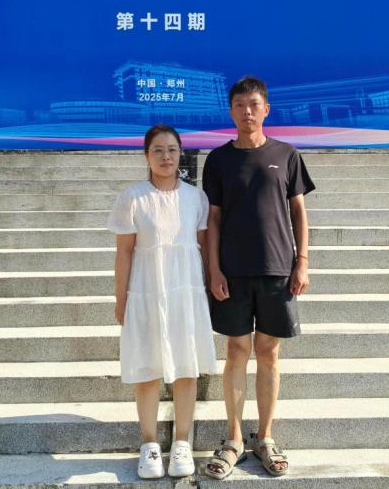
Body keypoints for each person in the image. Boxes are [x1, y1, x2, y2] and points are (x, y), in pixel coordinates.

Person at [201, 76, 315, 479]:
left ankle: (265, 436)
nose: (247, 112)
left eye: (253, 105)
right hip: (232, 271)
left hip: (277, 268)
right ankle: (233, 438)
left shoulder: (286, 154)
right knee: (236, 351)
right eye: (239, 105)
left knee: (268, 352)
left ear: (266, 109)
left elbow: (298, 212)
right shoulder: (218, 160)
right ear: (230, 111)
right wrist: (213, 269)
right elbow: (213, 219)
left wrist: (302, 262)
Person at [108, 124, 218, 479]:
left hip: (186, 292)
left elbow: (203, 246)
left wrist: (208, 287)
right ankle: (149, 444)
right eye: (157, 150)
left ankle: (182, 442)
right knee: (147, 368)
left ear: (180, 154)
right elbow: (125, 253)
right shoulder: (133, 197)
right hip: (146, 292)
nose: (165, 156)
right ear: (146, 156)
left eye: (171, 150)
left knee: (186, 367)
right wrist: (121, 298)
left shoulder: (195, 198)